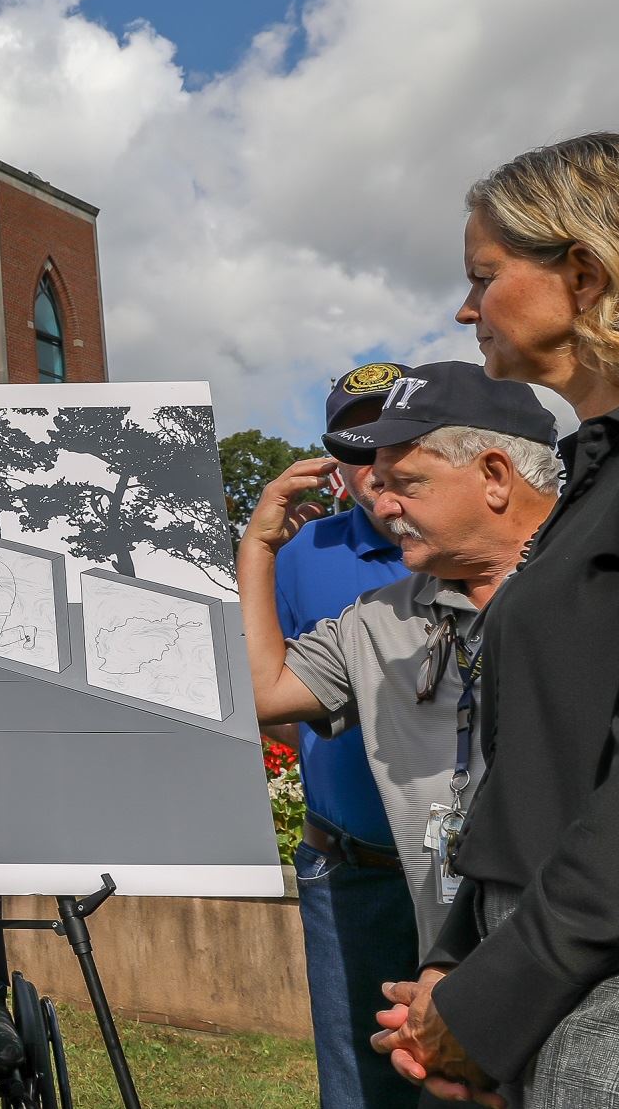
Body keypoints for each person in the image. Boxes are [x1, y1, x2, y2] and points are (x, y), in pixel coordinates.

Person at [373, 133, 619, 1107]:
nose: (463, 309)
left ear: (581, 272)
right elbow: (538, 760)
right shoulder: (602, 470)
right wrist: (456, 958)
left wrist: (493, 997)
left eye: (483, 276)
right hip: (550, 959)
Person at [241, 362, 558, 947]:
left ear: (494, 476)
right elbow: (265, 692)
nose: (382, 504)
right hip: (430, 933)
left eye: (404, 483)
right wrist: (257, 549)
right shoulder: (378, 614)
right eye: (372, 476)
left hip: (585, 968)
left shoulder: (608, 587)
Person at [260, 361, 426, 1109]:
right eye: (357, 447)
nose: (377, 461)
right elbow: (271, 694)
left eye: (395, 435)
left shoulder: (471, 543)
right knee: (359, 1087)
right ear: (334, 462)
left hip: (468, 877)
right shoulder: (303, 555)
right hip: (352, 873)